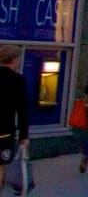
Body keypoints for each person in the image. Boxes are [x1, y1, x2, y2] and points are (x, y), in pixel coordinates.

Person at [0, 46, 27, 192]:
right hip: (4, 131)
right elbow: (22, 110)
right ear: (15, 60)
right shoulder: (18, 80)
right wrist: (24, 136)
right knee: (1, 166)